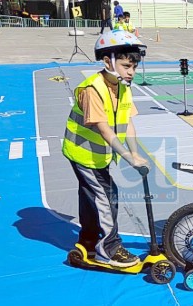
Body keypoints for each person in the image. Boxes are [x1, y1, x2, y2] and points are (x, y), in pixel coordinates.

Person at [62, 30, 150, 267]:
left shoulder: (123, 87)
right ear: (107, 61)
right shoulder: (93, 90)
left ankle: (89, 242)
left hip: (99, 155)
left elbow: (127, 122)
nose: (131, 72)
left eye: (134, 67)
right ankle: (109, 249)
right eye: (125, 66)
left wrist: (135, 152)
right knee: (107, 196)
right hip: (84, 154)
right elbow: (104, 129)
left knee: (92, 197)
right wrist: (128, 157)